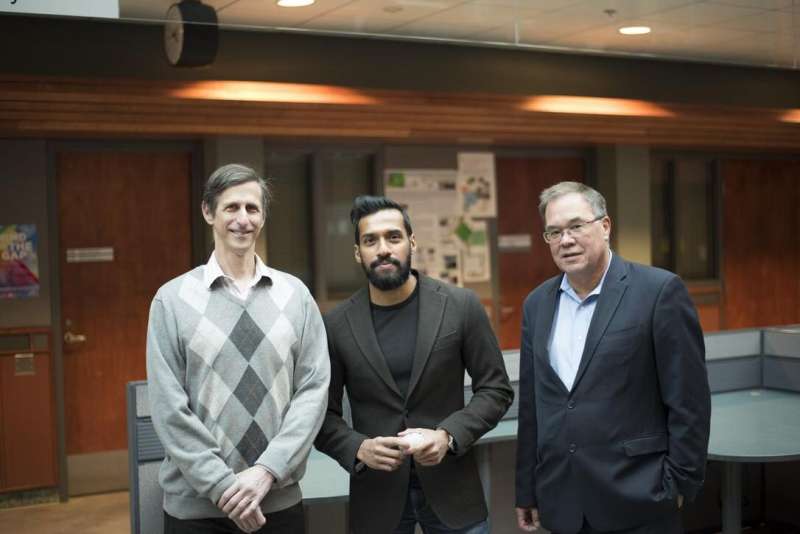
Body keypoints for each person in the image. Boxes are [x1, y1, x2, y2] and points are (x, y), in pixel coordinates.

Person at [514, 181, 710, 534]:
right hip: (563, 501)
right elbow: (533, 406)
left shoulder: (658, 292)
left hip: (639, 498)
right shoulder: (537, 304)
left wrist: (678, 484)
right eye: (554, 232)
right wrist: (527, 488)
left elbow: (689, 402)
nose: (566, 240)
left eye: (576, 226)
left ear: (605, 227)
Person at [146, 163, 330, 534]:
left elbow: (313, 392)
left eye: (252, 208)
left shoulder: (296, 297)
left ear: (263, 218)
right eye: (231, 208)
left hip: (277, 501)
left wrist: (266, 471)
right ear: (208, 212)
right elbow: (168, 408)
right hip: (197, 513)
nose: (242, 219)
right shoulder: (172, 300)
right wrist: (224, 487)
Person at [315, 195, 514, 534]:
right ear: (357, 253)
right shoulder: (335, 326)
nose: (383, 249)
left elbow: (495, 390)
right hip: (377, 499)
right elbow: (321, 416)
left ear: (411, 242)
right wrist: (359, 448)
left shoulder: (460, 306)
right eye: (370, 240)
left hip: (454, 492)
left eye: (393, 237)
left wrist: (448, 435)